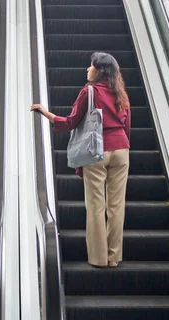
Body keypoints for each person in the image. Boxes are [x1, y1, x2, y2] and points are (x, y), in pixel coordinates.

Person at [31, 52, 131, 268]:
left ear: (99, 71)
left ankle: (98, 258)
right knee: (117, 206)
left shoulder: (89, 91)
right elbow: (127, 124)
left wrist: (47, 114)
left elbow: (71, 122)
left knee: (96, 205)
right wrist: (122, 145)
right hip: (122, 149)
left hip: (97, 150)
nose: (88, 69)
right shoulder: (120, 93)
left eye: (91, 66)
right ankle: (114, 257)